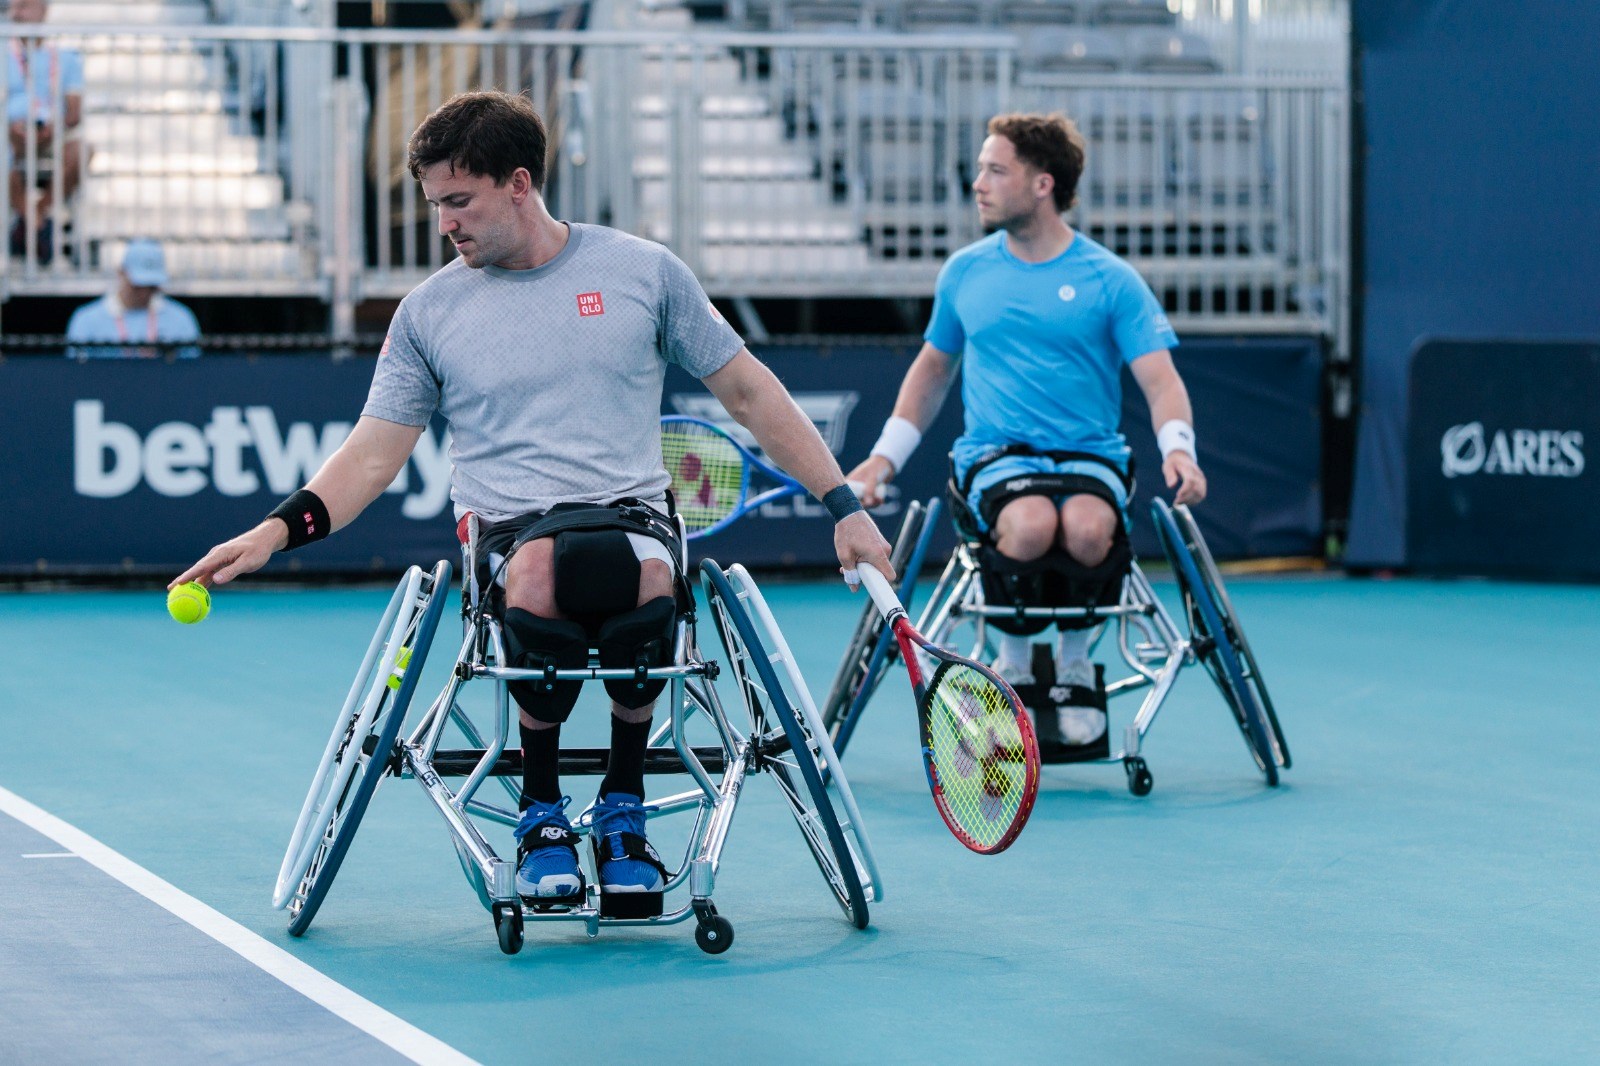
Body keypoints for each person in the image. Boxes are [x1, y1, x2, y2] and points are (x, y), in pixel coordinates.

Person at [171, 91, 892, 914]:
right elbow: (371, 457)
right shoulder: (428, 314)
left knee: (648, 576)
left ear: (519, 183)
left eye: (458, 201)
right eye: (436, 203)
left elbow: (750, 393)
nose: (445, 222)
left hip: (634, 516)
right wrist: (273, 532)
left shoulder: (643, 272)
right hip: (509, 532)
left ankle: (624, 811)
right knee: (545, 571)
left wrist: (845, 506)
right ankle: (541, 812)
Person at [847, 112, 1206, 748]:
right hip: (996, 459)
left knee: (1090, 529)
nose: (977, 182)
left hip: (1088, 457)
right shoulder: (964, 272)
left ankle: (1073, 666)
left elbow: (1161, 380)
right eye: (980, 168)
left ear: (1042, 184)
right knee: (1034, 523)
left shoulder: (1110, 278)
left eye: (995, 169)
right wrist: (883, 461)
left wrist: (1180, 451)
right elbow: (932, 373)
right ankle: (1011, 665)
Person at [6, 0, 86, 264]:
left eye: (24, 7)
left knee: (82, 151)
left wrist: (55, 128)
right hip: (8, 133)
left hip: (52, 133)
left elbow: (74, 112)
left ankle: (32, 217)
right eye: (13, 8)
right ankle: (38, 223)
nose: (16, 14)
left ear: (43, 11)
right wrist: (10, 129)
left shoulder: (66, 58)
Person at [65, 240, 201, 359]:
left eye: (152, 286)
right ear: (121, 273)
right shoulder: (86, 320)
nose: (145, 292)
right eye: (138, 285)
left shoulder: (181, 319)